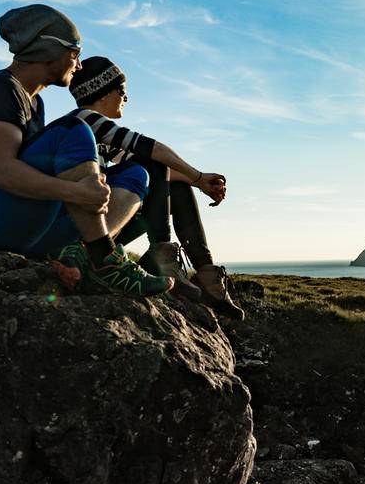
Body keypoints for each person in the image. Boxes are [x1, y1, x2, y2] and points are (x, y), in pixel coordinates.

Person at [0, 4, 171, 297]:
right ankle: (106, 261)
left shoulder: (35, 104)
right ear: (48, 50)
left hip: (27, 225)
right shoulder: (0, 90)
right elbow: (1, 171)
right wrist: (77, 193)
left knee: (136, 173)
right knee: (73, 129)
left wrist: (92, 183)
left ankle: (82, 256)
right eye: (74, 54)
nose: (78, 66)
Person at [60, 56, 245, 318]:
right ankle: (163, 258)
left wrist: (199, 183)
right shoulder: (84, 120)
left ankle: (204, 272)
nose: (126, 98)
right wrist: (199, 176)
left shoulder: (101, 138)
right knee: (153, 162)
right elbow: (153, 150)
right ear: (102, 94)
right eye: (122, 91)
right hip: (86, 229)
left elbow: (159, 177)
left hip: (101, 222)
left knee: (176, 186)